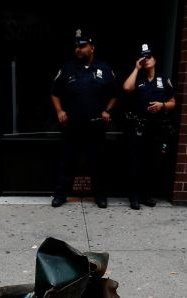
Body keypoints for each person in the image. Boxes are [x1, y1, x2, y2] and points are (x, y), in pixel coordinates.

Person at [50, 29, 117, 208]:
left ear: (92, 47)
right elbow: (55, 93)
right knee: (67, 162)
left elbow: (114, 94)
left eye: (82, 46)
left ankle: (100, 196)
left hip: (95, 126)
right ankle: (60, 195)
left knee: (97, 163)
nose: (78, 49)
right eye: (76, 47)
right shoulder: (67, 68)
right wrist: (59, 111)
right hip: (72, 125)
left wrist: (107, 110)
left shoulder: (104, 68)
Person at [122, 43, 177, 210]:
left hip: (157, 128)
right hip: (139, 127)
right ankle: (134, 197)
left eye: (149, 57)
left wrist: (162, 105)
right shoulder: (137, 78)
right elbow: (126, 88)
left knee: (153, 163)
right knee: (136, 162)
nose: (146, 60)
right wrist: (136, 68)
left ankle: (148, 195)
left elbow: (173, 102)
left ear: (155, 59)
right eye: (143, 57)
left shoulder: (163, 79)